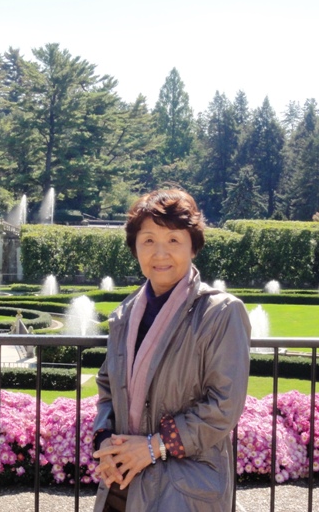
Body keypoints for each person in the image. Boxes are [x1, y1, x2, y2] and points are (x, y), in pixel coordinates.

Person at [92, 188, 251, 512]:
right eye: (148, 240)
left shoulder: (220, 313)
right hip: (121, 485)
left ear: (193, 246)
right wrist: (105, 441)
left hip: (183, 489)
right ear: (135, 247)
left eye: (173, 240)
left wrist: (154, 447)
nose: (160, 253)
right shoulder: (125, 315)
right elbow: (108, 389)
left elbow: (224, 406)